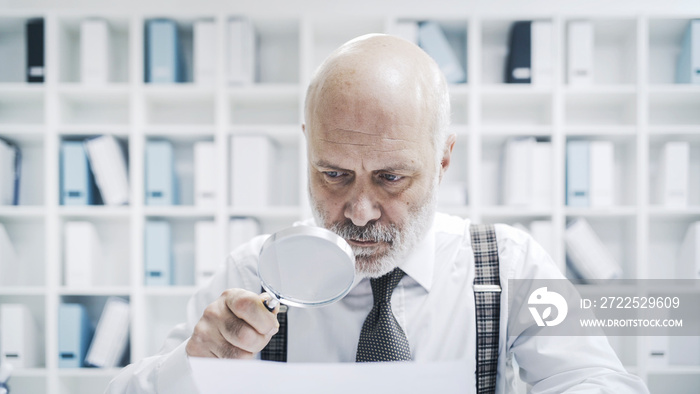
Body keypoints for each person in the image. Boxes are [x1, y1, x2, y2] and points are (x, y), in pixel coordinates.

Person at [108, 34, 649, 393]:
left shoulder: (509, 265)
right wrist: (194, 364)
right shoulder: (255, 273)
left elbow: (597, 378)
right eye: (334, 175)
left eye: (391, 178)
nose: (360, 213)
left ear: (443, 160)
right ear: (308, 148)